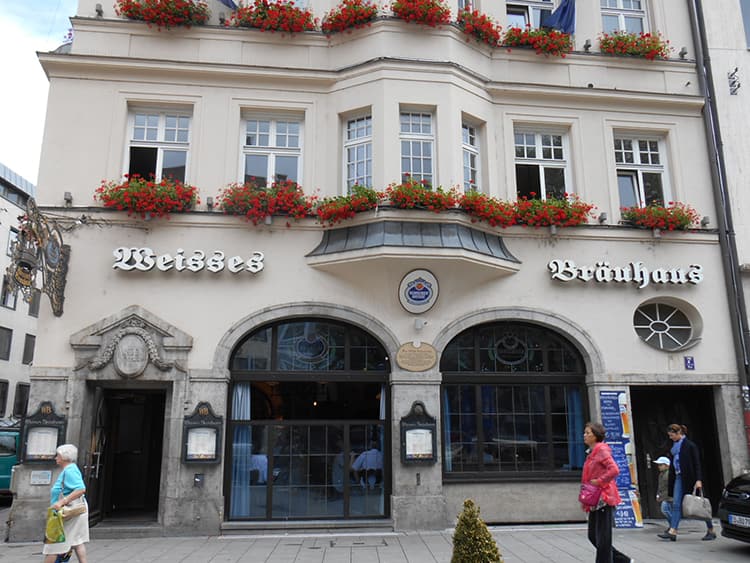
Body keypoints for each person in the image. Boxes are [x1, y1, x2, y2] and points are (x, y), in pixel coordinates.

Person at [581, 422, 631, 563]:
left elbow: (614, 469)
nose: (584, 435)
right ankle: (623, 561)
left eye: (588, 433)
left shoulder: (601, 450)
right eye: (585, 432)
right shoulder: (591, 452)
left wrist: (600, 481)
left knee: (603, 538)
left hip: (604, 497)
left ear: (596, 436)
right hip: (594, 497)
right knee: (593, 536)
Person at [658, 424, 716, 541]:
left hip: (691, 478)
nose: (670, 438)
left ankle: (711, 529)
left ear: (679, 433)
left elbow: (697, 463)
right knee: (676, 504)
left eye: (672, 435)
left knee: (700, 505)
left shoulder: (690, 446)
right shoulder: (673, 447)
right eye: (669, 435)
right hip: (678, 477)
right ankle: (673, 531)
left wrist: (698, 479)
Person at [43, 444, 89, 563]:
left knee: (54, 544)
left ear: (64, 457)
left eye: (58, 455)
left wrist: (62, 502)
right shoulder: (70, 469)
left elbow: (80, 489)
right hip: (74, 511)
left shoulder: (70, 471)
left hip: (67, 512)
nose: (56, 458)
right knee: (77, 541)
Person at [654, 456, 672, 531]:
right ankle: (672, 526)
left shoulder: (669, 474)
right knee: (666, 510)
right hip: (665, 497)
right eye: (659, 465)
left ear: (667, 465)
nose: (659, 467)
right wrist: (658, 495)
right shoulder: (661, 475)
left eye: (661, 465)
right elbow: (660, 487)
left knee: (665, 510)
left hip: (669, 497)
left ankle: (673, 526)